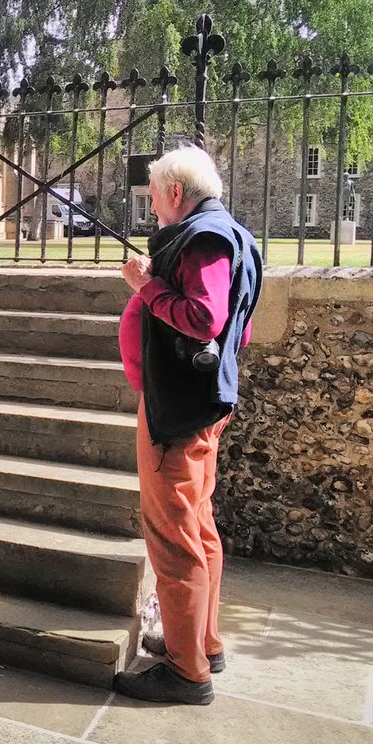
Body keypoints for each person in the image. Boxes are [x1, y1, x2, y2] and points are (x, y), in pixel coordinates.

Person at [113, 145, 262, 706]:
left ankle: (186, 671)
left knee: (174, 538)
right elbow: (237, 328)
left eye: (154, 198)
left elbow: (205, 317)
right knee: (197, 525)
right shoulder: (226, 234)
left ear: (176, 191)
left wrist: (145, 286)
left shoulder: (204, 239)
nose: (153, 209)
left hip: (179, 412)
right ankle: (201, 642)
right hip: (198, 406)